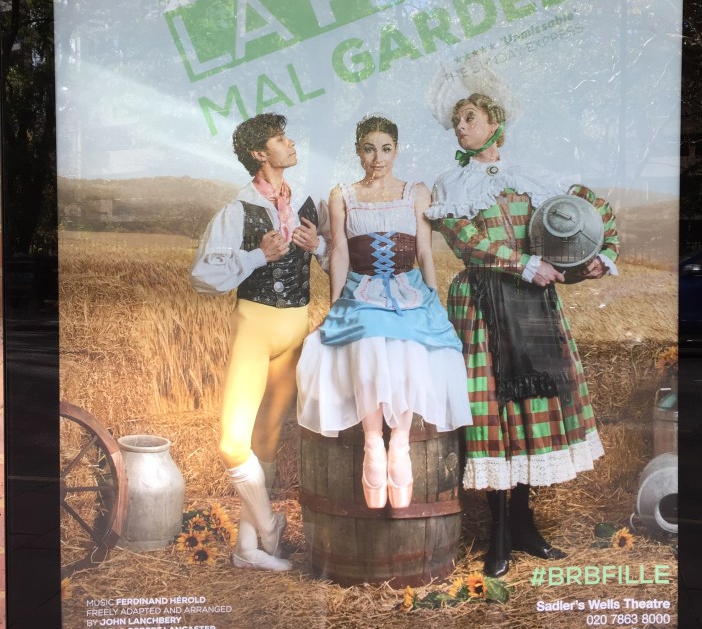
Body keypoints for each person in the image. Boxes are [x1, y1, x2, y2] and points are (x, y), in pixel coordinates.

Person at [426, 84, 619, 575]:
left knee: (528, 407)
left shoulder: (532, 176)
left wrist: (599, 258)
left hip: (532, 305)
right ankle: (497, 536)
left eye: (470, 118)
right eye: (458, 121)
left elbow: (587, 214)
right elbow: (467, 243)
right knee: (492, 411)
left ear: (495, 123)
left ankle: (524, 524)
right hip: (483, 305)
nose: (461, 127)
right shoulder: (452, 184)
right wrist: (522, 262)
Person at [296, 115, 471, 509]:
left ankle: (402, 445)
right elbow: (339, 252)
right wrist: (337, 302)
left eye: (386, 148)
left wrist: (434, 299)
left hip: (408, 288)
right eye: (370, 149)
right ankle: (375, 442)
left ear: (397, 149)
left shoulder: (416, 192)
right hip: (364, 288)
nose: (378, 157)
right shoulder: (343, 194)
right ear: (358, 151)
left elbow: (425, 251)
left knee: (411, 343)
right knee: (370, 338)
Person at [191, 113, 329, 571]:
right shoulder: (238, 209)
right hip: (254, 325)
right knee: (234, 442)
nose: (290, 144)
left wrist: (320, 250)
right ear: (259, 153)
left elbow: (337, 260)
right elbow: (204, 276)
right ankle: (268, 525)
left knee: (266, 441)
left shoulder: (308, 203)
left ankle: (247, 550)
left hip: (296, 329)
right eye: (279, 139)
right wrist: (257, 254)